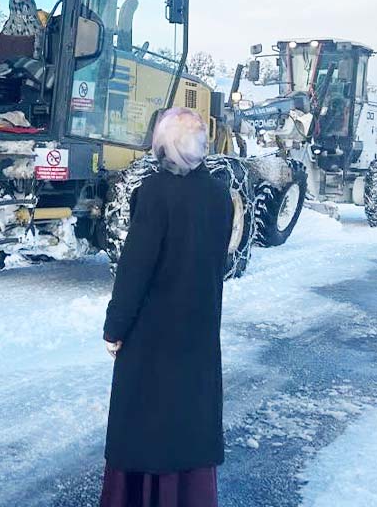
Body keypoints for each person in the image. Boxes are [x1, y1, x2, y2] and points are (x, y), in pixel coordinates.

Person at [101, 107, 233, 507]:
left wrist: (115, 328)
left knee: (145, 425)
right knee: (190, 423)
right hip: (199, 330)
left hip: (153, 336)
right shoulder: (220, 196)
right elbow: (218, 262)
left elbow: (135, 268)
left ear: (164, 146)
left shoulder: (155, 193)